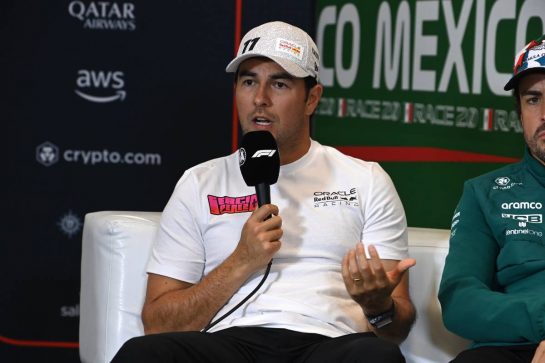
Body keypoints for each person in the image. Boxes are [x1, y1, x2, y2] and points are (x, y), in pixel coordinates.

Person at [111, 21, 416, 363]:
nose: (260, 99)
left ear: (312, 99)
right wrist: (242, 260)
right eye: (249, 81)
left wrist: (378, 307)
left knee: (378, 357)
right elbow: (158, 324)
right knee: (144, 354)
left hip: (328, 343)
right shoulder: (199, 182)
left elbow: (396, 329)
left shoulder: (365, 180)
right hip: (228, 346)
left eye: (279, 84)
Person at [438, 34, 545, 363]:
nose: (544, 113)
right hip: (509, 347)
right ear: (519, 112)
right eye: (533, 99)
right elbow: (460, 301)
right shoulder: (485, 192)